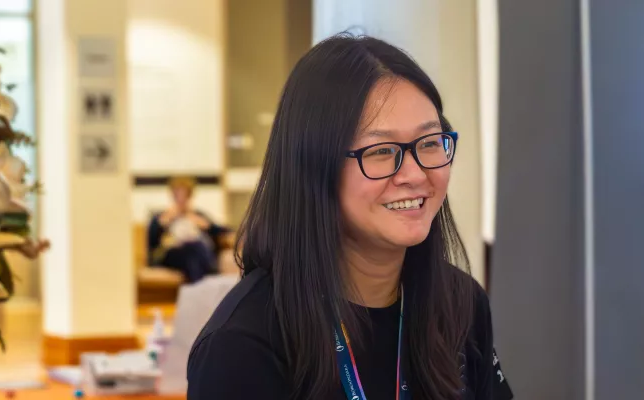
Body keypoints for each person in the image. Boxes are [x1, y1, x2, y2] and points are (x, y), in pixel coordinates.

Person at [187, 35, 512, 399]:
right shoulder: (243, 346)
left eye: (430, 143)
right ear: (314, 165)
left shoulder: (460, 304)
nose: (415, 174)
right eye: (381, 150)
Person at [147, 176, 228, 284]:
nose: (181, 199)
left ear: (190, 196)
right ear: (173, 196)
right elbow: (151, 242)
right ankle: (209, 277)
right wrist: (161, 224)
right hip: (172, 254)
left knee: (193, 254)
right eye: (177, 195)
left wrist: (206, 226)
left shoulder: (198, 215)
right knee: (194, 249)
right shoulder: (162, 216)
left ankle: (197, 287)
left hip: (195, 253)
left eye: (185, 195)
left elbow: (223, 231)